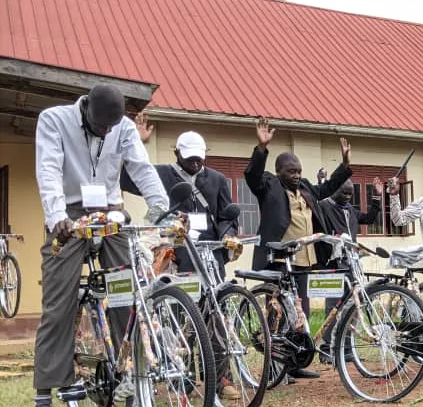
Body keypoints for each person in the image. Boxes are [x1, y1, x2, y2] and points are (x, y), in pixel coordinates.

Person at [33, 84, 169, 407]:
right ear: (86, 108)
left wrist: (159, 204)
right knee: (58, 304)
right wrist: (56, 217)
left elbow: (141, 166)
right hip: (70, 215)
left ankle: (135, 405)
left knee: (129, 300)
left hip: (111, 214)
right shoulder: (54, 120)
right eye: (101, 125)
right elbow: (48, 169)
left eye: (113, 125)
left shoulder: (122, 127)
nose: (107, 131)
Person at [244, 117, 352, 379]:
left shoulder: (303, 187)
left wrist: (345, 165)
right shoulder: (268, 185)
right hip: (278, 259)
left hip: (303, 259)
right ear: (279, 170)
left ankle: (293, 364)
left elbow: (325, 188)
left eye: (299, 171)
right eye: (291, 171)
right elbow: (252, 176)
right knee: (276, 312)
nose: (296, 176)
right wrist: (261, 148)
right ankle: (273, 367)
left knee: (298, 310)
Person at [123, 122, 237, 276]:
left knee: (217, 296)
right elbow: (126, 179)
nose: (195, 163)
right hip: (176, 250)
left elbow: (226, 217)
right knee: (182, 295)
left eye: (199, 158)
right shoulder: (161, 174)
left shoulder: (217, 179)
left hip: (210, 251)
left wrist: (227, 235)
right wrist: (136, 144)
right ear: (176, 153)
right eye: (189, 159)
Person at [315, 174, 382, 361]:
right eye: (343, 193)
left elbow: (368, 218)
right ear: (334, 189)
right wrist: (322, 183)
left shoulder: (349, 210)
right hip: (333, 263)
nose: (347, 197)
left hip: (352, 262)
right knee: (333, 305)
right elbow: (316, 206)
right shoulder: (325, 207)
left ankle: (347, 347)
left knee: (353, 304)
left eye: (350, 194)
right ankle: (328, 348)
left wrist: (376, 197)